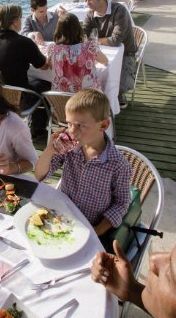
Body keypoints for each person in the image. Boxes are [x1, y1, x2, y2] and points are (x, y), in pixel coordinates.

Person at [35, 89, 131, 239]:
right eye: (69, 123)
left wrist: (97, 230)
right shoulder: (70, 149)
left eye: (80, 126)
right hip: (62, 218)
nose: (72, 132)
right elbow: (39, 175)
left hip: (91, 226)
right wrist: (49, 150)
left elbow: (121, 203)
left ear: (103, 125)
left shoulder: (117, 164)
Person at [0, 3, 50, 137]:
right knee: (46, 84)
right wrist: (53, 53)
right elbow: (44, 66)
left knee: (29, 80)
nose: (21, 21)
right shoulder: (23, 43)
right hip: (19, 101)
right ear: (14, 22)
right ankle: (38, 129)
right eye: (20, 18)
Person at [82, 0, 137, 110]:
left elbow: (115, 40)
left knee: (121, 85)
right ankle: (101, 102)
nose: (87, 3)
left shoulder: (119, 10)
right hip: (102, 53)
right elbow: (83, 35)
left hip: (126, 53)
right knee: (87, 77)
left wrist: (94, 41)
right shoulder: (90, 14)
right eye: (85, 0)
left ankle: (117, 95)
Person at [47, 12, 108, 92]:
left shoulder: (52, 48)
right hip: (88, 98)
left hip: (62, 99)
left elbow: (50, 65)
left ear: (58, 30)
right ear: (78, 29)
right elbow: (105, 61)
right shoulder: (89, 46)